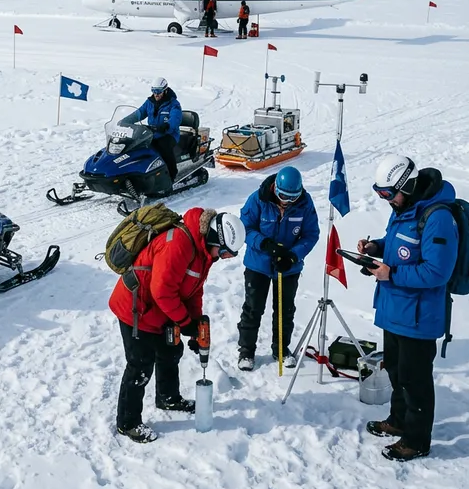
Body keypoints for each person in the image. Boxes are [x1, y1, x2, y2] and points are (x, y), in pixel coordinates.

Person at [109, 208, 246, 442]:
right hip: (137, 307)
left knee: (171, 350)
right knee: (140, 365)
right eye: (223, 253)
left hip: (160, 309)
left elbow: (193, 290)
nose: (222, 258)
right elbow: (161, 292)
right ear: (214, 237)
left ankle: (167, 398)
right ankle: (128, 422)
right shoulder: (179, 244)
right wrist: (185, 323)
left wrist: (195, 324)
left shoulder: (203, 252)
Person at [358, 154, 458, 462]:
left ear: (409, 185)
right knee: (398, 372)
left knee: (415, 380)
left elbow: (437, 271)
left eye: (389, 193)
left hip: (419, 316)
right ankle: (399, 420)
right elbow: (397, 242)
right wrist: (376, 247)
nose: (386, 200)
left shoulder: (438, 217)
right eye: (380, 194)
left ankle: (416, 440)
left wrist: (392, 274)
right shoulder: (405, 208)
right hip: (395, 311)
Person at [236, 166, 320, 370]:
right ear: (275, 188)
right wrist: (264, 244)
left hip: (288, 267)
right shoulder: (258, 199)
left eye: (293, 197)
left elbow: (311, 234)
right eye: (283, 196)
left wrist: (293, 256)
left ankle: (281, 349)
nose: (287, 201)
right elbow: (244, 227)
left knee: (285, 310)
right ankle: (246, 351)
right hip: (258, 264)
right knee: (253, 308)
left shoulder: (305, 204)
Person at [124, 77, 182, 181]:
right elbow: (140, 113)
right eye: (153, 91)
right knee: (136, 146)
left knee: (164, 147)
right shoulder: (149, 102)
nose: (156, 94)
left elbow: (175, 119)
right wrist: (125, 121)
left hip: (169, 134)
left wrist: (167, 126)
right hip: (152, 132)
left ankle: (172, 175)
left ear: (165, 90)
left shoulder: (173, 104)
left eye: (158, 91)